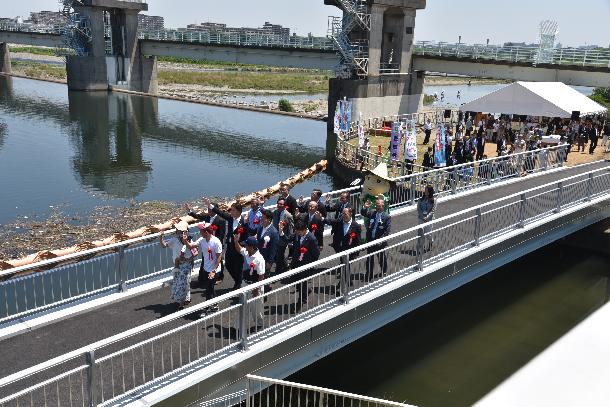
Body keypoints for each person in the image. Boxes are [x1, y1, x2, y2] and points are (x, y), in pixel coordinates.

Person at [204, 198, 247, 290]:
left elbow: (247, 236)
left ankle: (238, 283)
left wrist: (241, 244)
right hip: (230, 246)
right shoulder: (231, 218)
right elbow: (221, 213)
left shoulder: (244, 222)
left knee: (238, 267)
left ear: (239, 211)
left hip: (239, 248)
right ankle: (238, 281)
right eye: (231, 210)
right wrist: (210, 205)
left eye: (233, 210)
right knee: (228, 265)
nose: (231, 212)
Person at [185, 201, 227, 286]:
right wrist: (190, 211)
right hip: (207, 243)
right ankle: (202, 277)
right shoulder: (207, 217)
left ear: (215, 210)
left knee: (219, 261)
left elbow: (222, 234)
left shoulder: (221, 220)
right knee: (205, 259)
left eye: (210, 209)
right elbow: (198, 216)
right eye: (208, 209)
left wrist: (216, 243)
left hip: (215, 243)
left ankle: (219, 277)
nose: (208, 211)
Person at [184, 223, 222, 314]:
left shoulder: (216, 242)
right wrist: (185, 240)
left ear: (206, 232)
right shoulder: (202, 240)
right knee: (210, 288)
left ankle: (207, 309)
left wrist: (214, 271)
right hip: (206, 268)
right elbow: (191, 246)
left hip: (214, 270)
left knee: (208, 290)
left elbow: (219, 257)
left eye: (201, 231)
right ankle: (215, 305)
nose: (200, 232)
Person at [159, 221, 197, 310]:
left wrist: (187, 259)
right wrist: (161, 237)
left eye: (179, 230)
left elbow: (195, 253)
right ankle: (187, 298)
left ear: (184, 231)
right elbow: (164, 245)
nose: (176, 231)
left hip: (186, 264)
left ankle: (181, 303)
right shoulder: (174, 239)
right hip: (177, 264)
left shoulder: (189, 240)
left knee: (182, 283)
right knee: (182, 282)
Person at [233, 236, 265, 327]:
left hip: (255, 285)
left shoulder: (259, 259)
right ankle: (238, 327)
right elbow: (239, 249)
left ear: (251, 247)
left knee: (257, 308)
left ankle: (259, 324)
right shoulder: (247, 253)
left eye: (246, 245)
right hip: (245, 284)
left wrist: (256, 289)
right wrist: (236, 241)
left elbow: (261, 276)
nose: (245, 247)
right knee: (242, 306)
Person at [289, 219, 320, 308]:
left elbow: (316, 254)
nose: (298, 233)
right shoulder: (298, 235)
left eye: (299, 232)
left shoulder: (311, 239)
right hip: (296, 262)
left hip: (306, 264)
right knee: (296, 281)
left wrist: (310, 264)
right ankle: (307, 291)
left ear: (304, 229)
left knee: (302, 283)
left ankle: (301, 300)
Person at [361, 198, 391, 280]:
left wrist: (380, 240)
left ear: (383, 205)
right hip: (371, 240)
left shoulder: (387, 217)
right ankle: (369, 274)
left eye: (379, 205)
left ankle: (384, 271)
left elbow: (387, 231)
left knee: (381, 258)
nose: (377, 207)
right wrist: (365, 207)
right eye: (376, 205)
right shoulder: (372, 213)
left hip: (379, 242)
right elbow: (363, 213)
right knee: (369, 258)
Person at [273, 197, 294, 275]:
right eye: (278, 204)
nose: (279, 205)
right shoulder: (275, 212)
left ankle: (277, 273)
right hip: (275, 238)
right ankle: (286, 266)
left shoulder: (288, 215)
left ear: (284, 206)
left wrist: (290, 240)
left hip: (283, 238)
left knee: (279, 256)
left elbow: (291, 228)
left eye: (281, 204)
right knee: (279, 254)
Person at [256, 209, 279, 277]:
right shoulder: (260, 228)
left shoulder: (274, 232)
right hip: (258, 257)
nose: (261, 220)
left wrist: (270, 262)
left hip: (266, 259)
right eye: (261, 218)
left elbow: (273, 249)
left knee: (264, 276)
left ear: (269, 220)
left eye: (263, 218)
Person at [417, 186, 437, 251]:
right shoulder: (421, 199)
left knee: (428, 234)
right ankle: (422, 248)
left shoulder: (434, 200)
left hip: (429, 220)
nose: (425, 192)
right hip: (421, 218)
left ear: (430, 192)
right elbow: (419, 209)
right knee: (421, 234)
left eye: (427, 191)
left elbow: (433, 210)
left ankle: (431, 241)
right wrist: (422, 217)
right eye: (425, 190)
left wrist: (427, 217)